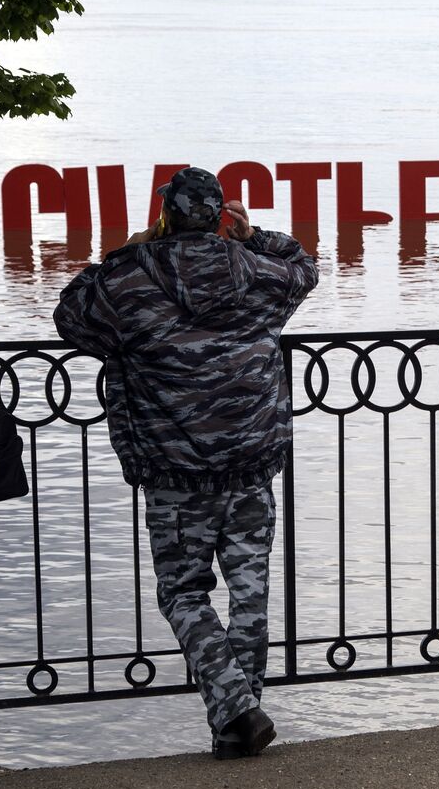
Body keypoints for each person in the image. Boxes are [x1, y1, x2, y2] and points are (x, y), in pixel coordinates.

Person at [53, 167, 318, 759]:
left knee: (183, 592)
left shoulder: (129, 278)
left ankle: (238, 711)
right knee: (250, 591)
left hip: (175, 469)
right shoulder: (257, 270)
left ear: (166, 212)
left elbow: (71, 314)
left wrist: (128, 251)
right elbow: (305, 266)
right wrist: (252, 239)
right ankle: (241, 718)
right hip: (251, 459)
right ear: (221, 214)